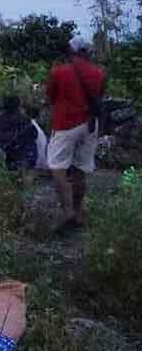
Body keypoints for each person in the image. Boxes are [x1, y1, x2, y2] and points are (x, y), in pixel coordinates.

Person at [46, 36, 106, 231]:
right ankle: (78, 213)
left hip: (65, 124)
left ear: (71, 51)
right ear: (88, 53)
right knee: (80, 169)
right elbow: (99, 99)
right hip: (89, 125)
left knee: (57, 167)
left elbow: (51, 97)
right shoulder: (99, 73)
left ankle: (68, 211)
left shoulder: (58, 72)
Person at [0, 95, 37, 171]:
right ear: (18, 107)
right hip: (24, 162)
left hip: (2, 163)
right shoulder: (26, 122)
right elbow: (34, 137)